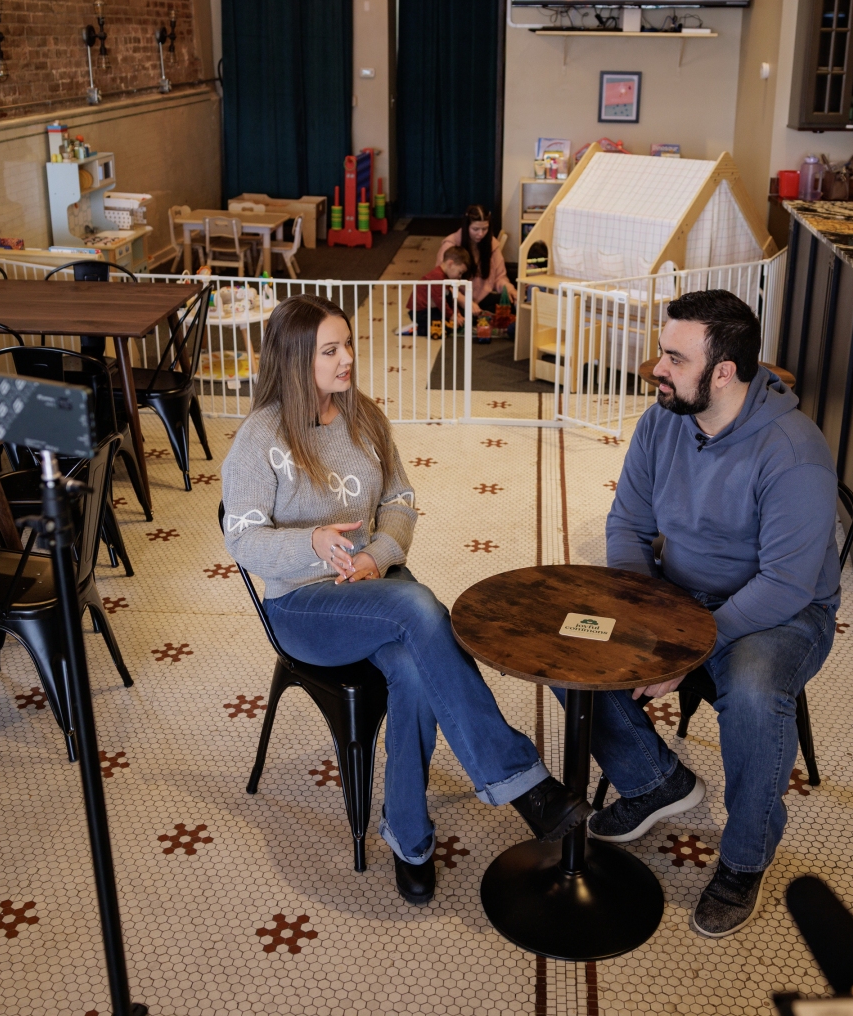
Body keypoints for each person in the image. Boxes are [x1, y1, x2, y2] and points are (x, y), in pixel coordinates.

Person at [221, 294, 591, 906]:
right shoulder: (259, 438)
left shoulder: (363, 417)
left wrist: (376, 555)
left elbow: (399, 498)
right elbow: (241, 538)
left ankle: (409, 838)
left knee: (416, 671)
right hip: (303, 605)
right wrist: (312, 542)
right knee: (419, 607)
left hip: (372, 584)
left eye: (347, 345)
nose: (347, 359)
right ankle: (520, 782)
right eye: (330, 351)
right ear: (294, 360)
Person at [586, 289, 841, 939]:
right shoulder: (662, 421)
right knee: (575, 643)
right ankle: (654, 781)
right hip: (679, 593)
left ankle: (744, 860)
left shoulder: (793, 451)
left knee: (754, 694)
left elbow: (786, 583)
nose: (657, 368)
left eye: (675, 358)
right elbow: (628, 526)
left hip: (781, 613)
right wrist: (644, 613)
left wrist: (691, 648)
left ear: (723, 372)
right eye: (661, 352)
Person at [436, 205, 516, 314]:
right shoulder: (450, 245)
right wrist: (464, 301)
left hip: (482, 297)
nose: (481, 234)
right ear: (466, 226)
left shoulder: (491, 244)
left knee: (510, 304)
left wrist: (510, 289)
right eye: (475, 229)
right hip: (457, 298)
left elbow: (500, 277)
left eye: (485, 229)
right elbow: (440, 281)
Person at [399, 245, 475, 337]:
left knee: (454, 322)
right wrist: (452, 316)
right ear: (450, 264)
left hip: (432, 309)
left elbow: (449, 298)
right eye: (460, 272)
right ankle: (416, 329)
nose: (460, 276)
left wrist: (457, 313)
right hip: (421, 313)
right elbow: (440, 300)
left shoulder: (445, 277)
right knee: (442, 329)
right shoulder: (437, 277)